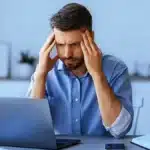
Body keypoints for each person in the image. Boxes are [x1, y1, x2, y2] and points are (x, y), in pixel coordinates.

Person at [27, 3, 133, 138]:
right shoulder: (45, 70)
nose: (67, 54)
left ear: (91, 37)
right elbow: (32, 130)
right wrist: (41, 75)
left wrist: (97, 74)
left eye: (74, 44)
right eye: (60, 45)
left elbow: (120, 130)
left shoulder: (115, 69)